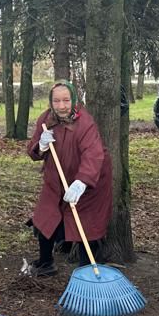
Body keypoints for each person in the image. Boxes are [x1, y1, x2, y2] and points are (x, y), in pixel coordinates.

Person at [20, 82, 112, 277]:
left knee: (87, 225)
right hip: (56, 179)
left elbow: (93, 154)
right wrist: (41, 145)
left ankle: (87, 271)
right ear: (51, 102)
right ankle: (45, 263)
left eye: (66, 100)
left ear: (73, 100)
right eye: (56, 101)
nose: (61, 106)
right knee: (45, 217)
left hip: (88, 184)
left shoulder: (84, 123)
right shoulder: (46, 120)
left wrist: (82, 181)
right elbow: (33, 151)